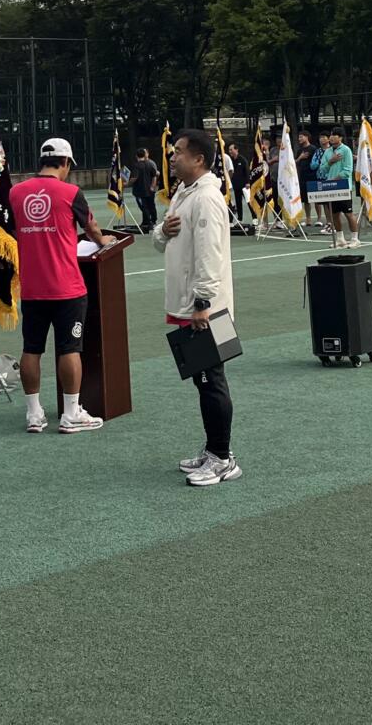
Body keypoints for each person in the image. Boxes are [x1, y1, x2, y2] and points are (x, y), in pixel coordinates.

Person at [6, 137, 109, 435]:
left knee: (31, 348)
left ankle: (34, 414)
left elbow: (14, 229)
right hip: (67, 287)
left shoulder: (16, 192)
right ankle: (71, 413)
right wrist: (103, 240)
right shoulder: (71, 192)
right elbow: (91, 228)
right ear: (65, 162)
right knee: (70, 348)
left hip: (32, 287)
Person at [155, 128, 239, 486]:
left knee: (210, 379)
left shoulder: (206, 198)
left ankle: (222, 458)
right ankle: (214, 449)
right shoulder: (184, 193)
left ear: (199, 159)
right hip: (190, 304)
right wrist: (163, 230)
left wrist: (203, 302)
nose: (172, 157)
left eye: (178, 151)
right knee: (203, 379)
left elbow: (209, 255)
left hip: (205, 309)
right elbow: (161, 239)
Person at [318, 126, 358, 246]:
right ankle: (340, 239)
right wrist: (331, 161)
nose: (331, 137)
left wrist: (334, 180)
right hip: (331, 187)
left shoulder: (346, 150)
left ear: (340, 138)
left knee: (348, 213)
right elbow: (322, 169)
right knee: (334, 214)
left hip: (343, 186)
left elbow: (348, 170)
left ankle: (355, 239)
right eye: (331, 135)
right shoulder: (328, 152)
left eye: (334, 135)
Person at [131, 148, 159, 233]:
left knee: (144, 207)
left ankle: (149, 223)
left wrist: (126, 183)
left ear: (136, 156)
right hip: (150, 190)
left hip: (140, 191)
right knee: (151, 206)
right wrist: (152, 186)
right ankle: (149, 222)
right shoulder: (150, 163)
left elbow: (134, 178)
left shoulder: (137, 166)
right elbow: (155, 175)